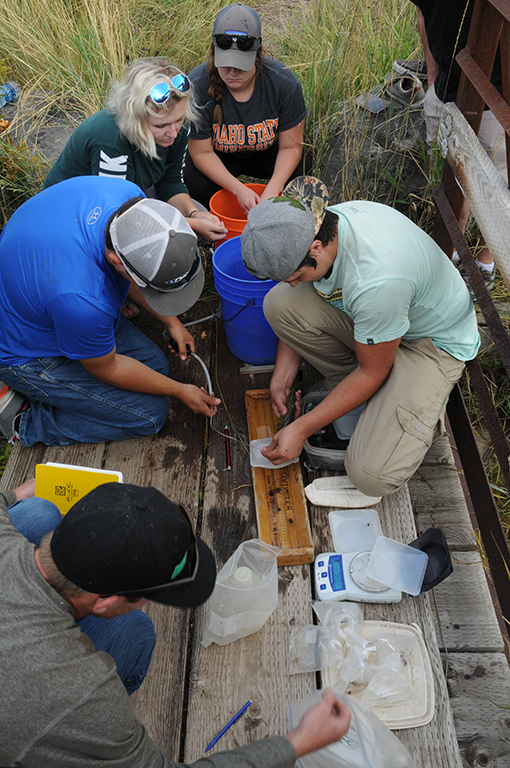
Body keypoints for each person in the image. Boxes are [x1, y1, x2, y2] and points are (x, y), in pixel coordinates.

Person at [1, 478, 352, 767]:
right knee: (136, 633)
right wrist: (298, 741)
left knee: (36, 511)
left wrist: (14, 494)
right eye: (148, 596)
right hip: (28, 698)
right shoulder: (81, 694)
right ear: (104, 602)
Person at [241, 176, 480, 497]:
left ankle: (414, 415)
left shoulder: (375, 280)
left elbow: (373, 370)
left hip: (430, 343)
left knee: (371, 475)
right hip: (383, 323)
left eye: (297, 275)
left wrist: (301, 428)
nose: (295, 283)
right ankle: (367, 398)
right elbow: (298, 291)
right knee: (279, 303)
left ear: (315, 247)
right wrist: (283, 377)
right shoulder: (317, 221)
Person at [0, 176, 221, 447]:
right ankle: (24, 423)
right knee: (149, 415)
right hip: (22, 348)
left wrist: (171, 322)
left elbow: (134, 263)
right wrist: (180, 391)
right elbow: (107, 368)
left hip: (43, 290)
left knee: (156, 367)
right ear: (115, 260)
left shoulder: (128, 198)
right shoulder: (82, 300)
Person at [44, 57, 227, 246]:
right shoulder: (111, 140)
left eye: (179, 120)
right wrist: (189, 224)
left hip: (127, 194)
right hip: (73, 214)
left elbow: (170, 182)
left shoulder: (177, 126)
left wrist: (194, 214)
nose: (172, 132)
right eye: (160, 125)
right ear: (136, 118)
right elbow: (119, 218)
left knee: (194, 216)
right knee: (169, 236)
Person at [411, 0, 506, 292]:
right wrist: (432, 75)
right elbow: (423, 14)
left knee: (499, 189)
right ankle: (448, 255)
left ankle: (487, 263)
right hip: (443, 91)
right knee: (448, 176)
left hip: (497, 99)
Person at [184, 3, 312, 213]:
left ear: (257, 54)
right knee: (190, 173)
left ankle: (282, 212)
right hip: (220, 156)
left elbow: (291, 147)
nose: (233, 72)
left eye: (241, 65)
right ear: (214, 52)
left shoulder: (283, 83)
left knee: (303, 164)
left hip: (265, 154)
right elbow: (201, 153)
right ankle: (214, 213)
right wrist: (238, 189)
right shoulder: (197, 84)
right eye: (226, 64)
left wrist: (272, 191)